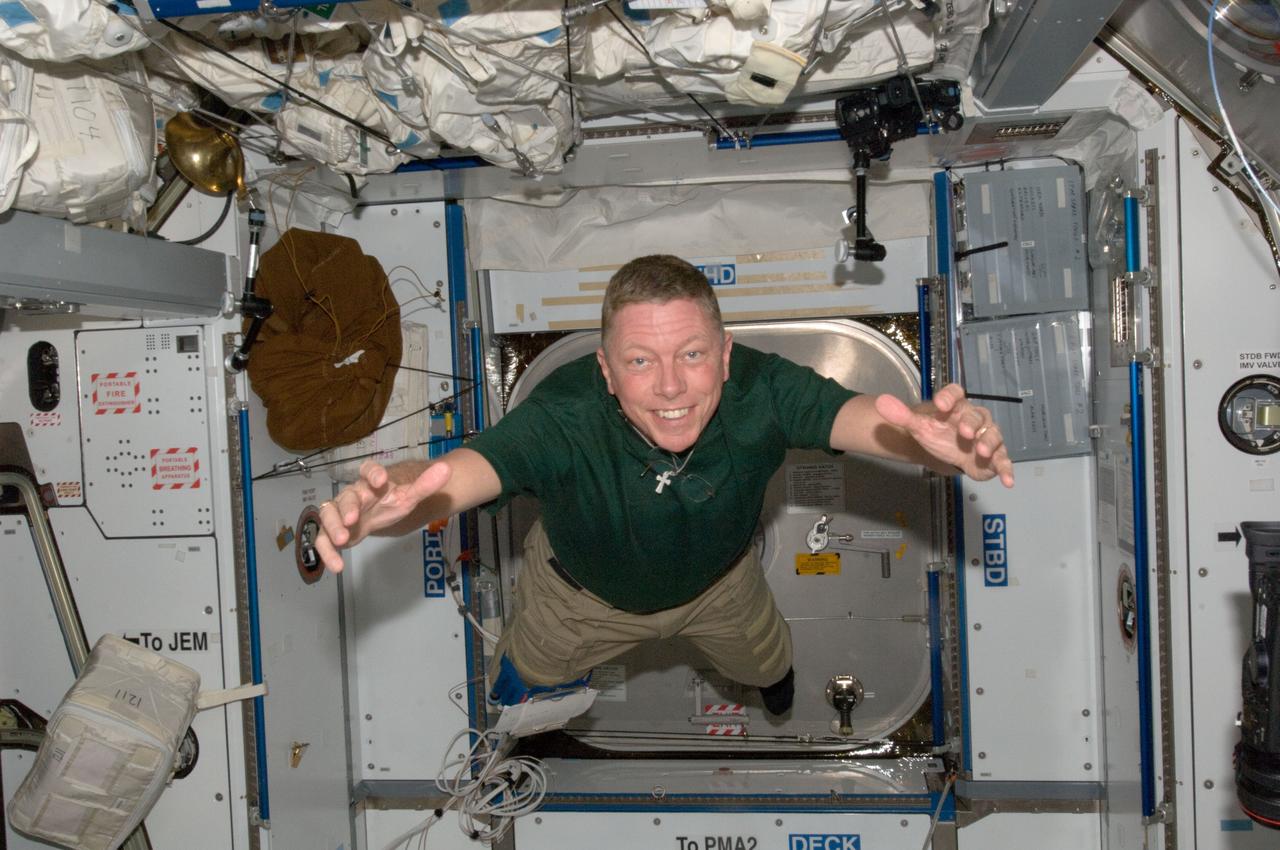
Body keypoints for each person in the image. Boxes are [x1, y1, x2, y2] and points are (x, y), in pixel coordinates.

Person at [314, 254, 1014, 715]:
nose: (672, 386)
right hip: (578, 599)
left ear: (725, 355)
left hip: (722, 588)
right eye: (641, 361)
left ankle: (773, 690)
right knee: (520, 679)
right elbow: (452, 480)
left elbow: (870, 422)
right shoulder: (563, 415)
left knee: (771, 665)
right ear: (607, 372)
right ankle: (526, 696)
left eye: (692, 354)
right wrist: (395, 502)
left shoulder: (762, 387)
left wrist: (943, 445)